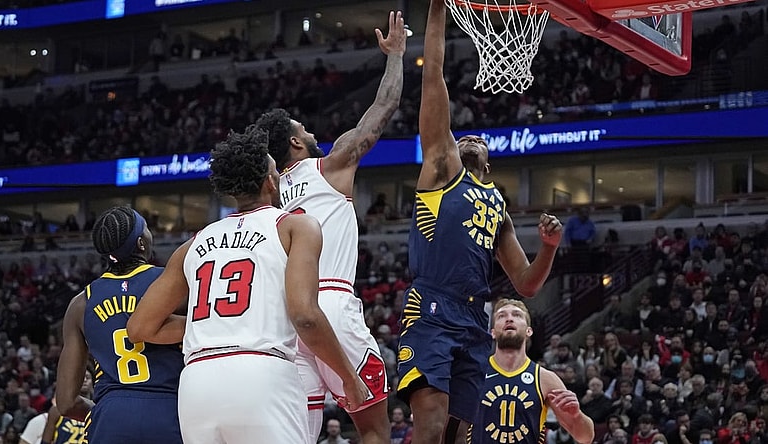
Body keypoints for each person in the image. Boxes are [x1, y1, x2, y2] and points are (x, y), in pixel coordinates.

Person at [126, 126, 368, 444]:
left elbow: (140, 327)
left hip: (197, 383)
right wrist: (349, 378)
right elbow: (305, 315)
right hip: (261, 374)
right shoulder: (295, 226)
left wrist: (214, 324)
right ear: (270, 181)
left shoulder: (193, 244)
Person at [395, 2, 563, 444]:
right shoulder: (440, 167)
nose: (467, 138)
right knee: (430, 421)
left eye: (477, 139)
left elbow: (526, 285)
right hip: (431, 304)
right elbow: (433, 74)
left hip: (474, 315)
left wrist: (548, 245)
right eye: (461, 135)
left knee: (461, 430)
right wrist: (436, 9)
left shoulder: (497, 206)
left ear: (488, 165)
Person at [254, 10, 405, 444]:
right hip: (331, 306)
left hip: (286, 318)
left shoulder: (268, 195)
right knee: (374, 429)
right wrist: (395, 56)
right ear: (297, 143)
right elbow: (385, 106)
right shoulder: (330, 164)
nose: (310, 131)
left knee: (296, 434)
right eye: (304, 129)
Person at [55, 206, 184, 444]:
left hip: (111, 414)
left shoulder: (80, 303)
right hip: (169, 409)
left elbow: (66, 402)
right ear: (141, 244)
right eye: (147, 229)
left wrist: (108, 412)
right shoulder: (172, 284)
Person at [469, 299, 594, 444]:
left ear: (529, 331)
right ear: (493, 333)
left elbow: (586, 437)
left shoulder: (545, 379)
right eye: (501, 316)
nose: (509, 318)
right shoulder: (474, 373)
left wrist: (576, 415)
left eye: (517, 315)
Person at [43, 371, 93, 444]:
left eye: (87, 378)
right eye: (81, 377)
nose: (84, 380)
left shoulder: (98, 410)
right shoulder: (56, 410)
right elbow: (45, 442)